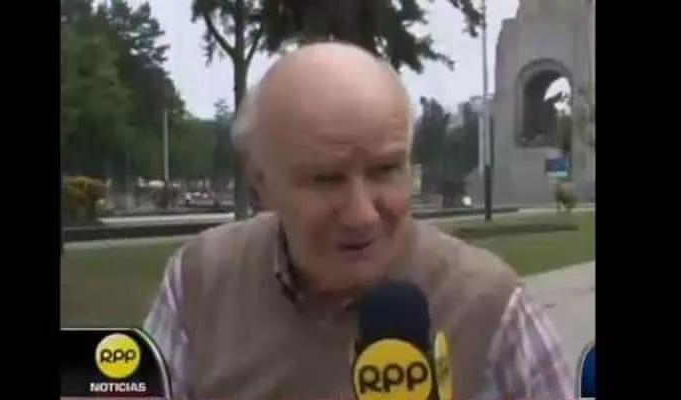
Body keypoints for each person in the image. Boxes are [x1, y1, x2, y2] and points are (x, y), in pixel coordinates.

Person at [143, 42, 574, 399]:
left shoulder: (493, 309)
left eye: (385, 170)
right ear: (261, 184)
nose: (362, 215)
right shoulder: (199, 281)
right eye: (326, 179)